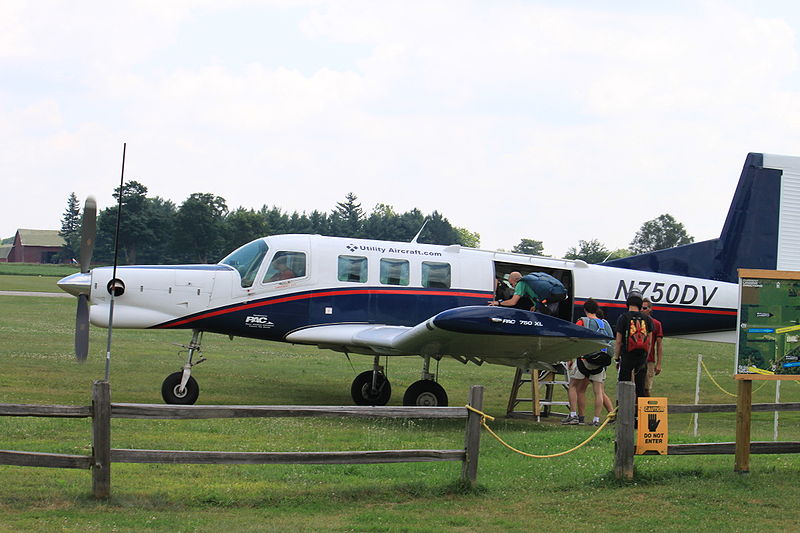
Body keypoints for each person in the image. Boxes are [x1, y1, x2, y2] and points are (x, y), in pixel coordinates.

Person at [562, 298, 615, 426]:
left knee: (573, 386)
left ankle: (574, 415)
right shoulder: (605, 323)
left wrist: (570, 358)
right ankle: (596, 419)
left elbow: (575, 339)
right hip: (601, 361)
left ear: (585, 309)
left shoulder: (582, 321)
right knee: (598, 391)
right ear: (596, 310)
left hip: (585, 359)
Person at [615, 290, 654, 398]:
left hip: (627, 356)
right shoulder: (647, 319)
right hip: (642, 358)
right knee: (640, 387)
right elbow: (649, 342)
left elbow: (618, 341)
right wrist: (646, 357)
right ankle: (639, 413)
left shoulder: (623, 318)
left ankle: (623, 412)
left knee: (624, 386)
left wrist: (617, 358)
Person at [641, 297, 664, 397]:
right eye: (640, 308)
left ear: (650, 309)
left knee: (647, 388)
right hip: (636, 359)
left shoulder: (657, 324)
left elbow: (659, 345)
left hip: (649, 360)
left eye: (644, 308)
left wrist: (659, 363)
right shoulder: (635, 322)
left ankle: (646, 410)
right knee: (632, 387)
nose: (642, 310)